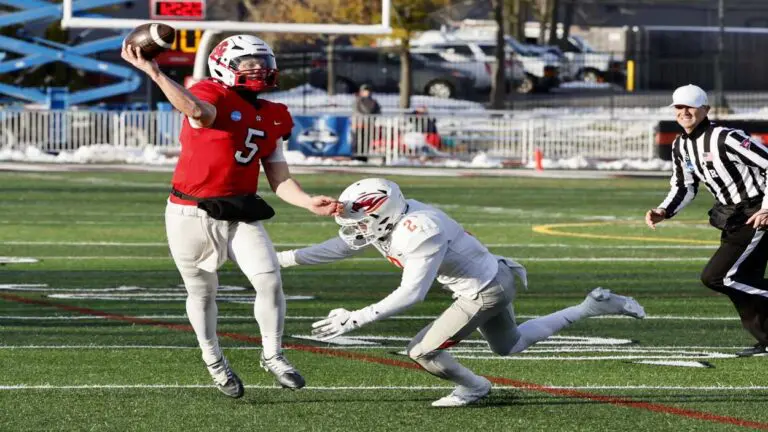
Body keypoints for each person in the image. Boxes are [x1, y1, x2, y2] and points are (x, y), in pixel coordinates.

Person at [277, 178, 646, 407]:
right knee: (509, 345)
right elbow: (340, 246)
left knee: (422, 350)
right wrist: (279, 260)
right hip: (492, 276)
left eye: (362, 220)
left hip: (484, 290)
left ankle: (475, 388)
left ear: (383, 215)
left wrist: (357, 317)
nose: (356, 228)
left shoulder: (418, 230)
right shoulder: (390, 219)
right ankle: (590, 307)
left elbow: (411, 294)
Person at [121, 35, 341, 398]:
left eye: (262, 61)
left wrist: (306, 201)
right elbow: (196, 112)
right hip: (189, 212)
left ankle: (272, 353)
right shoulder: (211, 93)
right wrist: (156, 74)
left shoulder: (274, 114)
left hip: (240, 209)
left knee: (269, 280)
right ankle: (214, 360)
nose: (258, 68)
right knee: (203, 292)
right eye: (248, 63)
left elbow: (279, 176)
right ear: (224, 66)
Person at [645, 84, 768, 357]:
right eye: (679, 107)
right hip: (732, 217)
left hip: (757, 214)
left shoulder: (726, 138)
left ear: (705, 110)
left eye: (690, 106)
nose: (684, 112)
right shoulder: (680, 146)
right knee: (745, 280)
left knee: (718, 277)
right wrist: (664, 210)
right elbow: (684, 186)